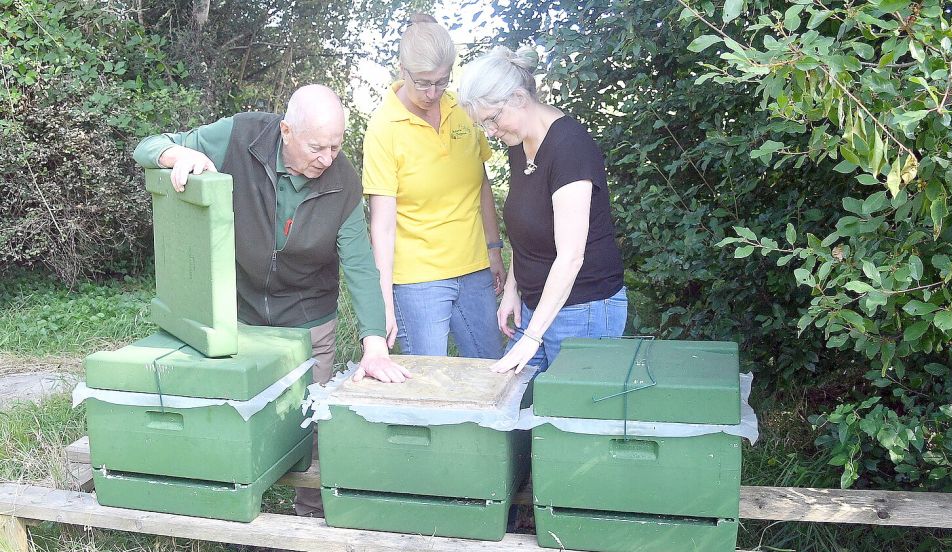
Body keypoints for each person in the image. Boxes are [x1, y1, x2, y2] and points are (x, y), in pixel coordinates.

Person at [132, 84, 411, 517]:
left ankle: (310, 514)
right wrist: (175, 156)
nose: (327, 157)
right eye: (317, 147)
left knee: (313, 423)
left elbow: (359, 262)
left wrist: (374, 341)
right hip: (238, 316)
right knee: (233, 417)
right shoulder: (241, 136)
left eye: (336, 146)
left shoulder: (344, 181)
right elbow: (148, 146)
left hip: (308, 319)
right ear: (286, 131)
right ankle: (226, 506)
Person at [457, 46, 628, 374]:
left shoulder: (570, 148)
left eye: (492, 119)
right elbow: (526, 230)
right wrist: (512, 290)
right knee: (515, 400)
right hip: (536, 306)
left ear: (520, 98)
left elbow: (571, 256)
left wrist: (532, 337)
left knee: (569, 419)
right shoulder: (519, 143)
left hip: (585, 307)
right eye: (483, 125)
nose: (490, 132)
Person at [362, 15, 505, 359]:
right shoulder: (384, 128)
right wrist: (383, 300)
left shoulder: (461, 110)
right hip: (417, 279)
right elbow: (381, 225)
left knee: (490, 371)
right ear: (402, 69)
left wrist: (494, 248)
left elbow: (481, 184)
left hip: (474, 269)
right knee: (426, 378)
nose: (432, 93)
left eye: (441, 82)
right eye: (423, 82)